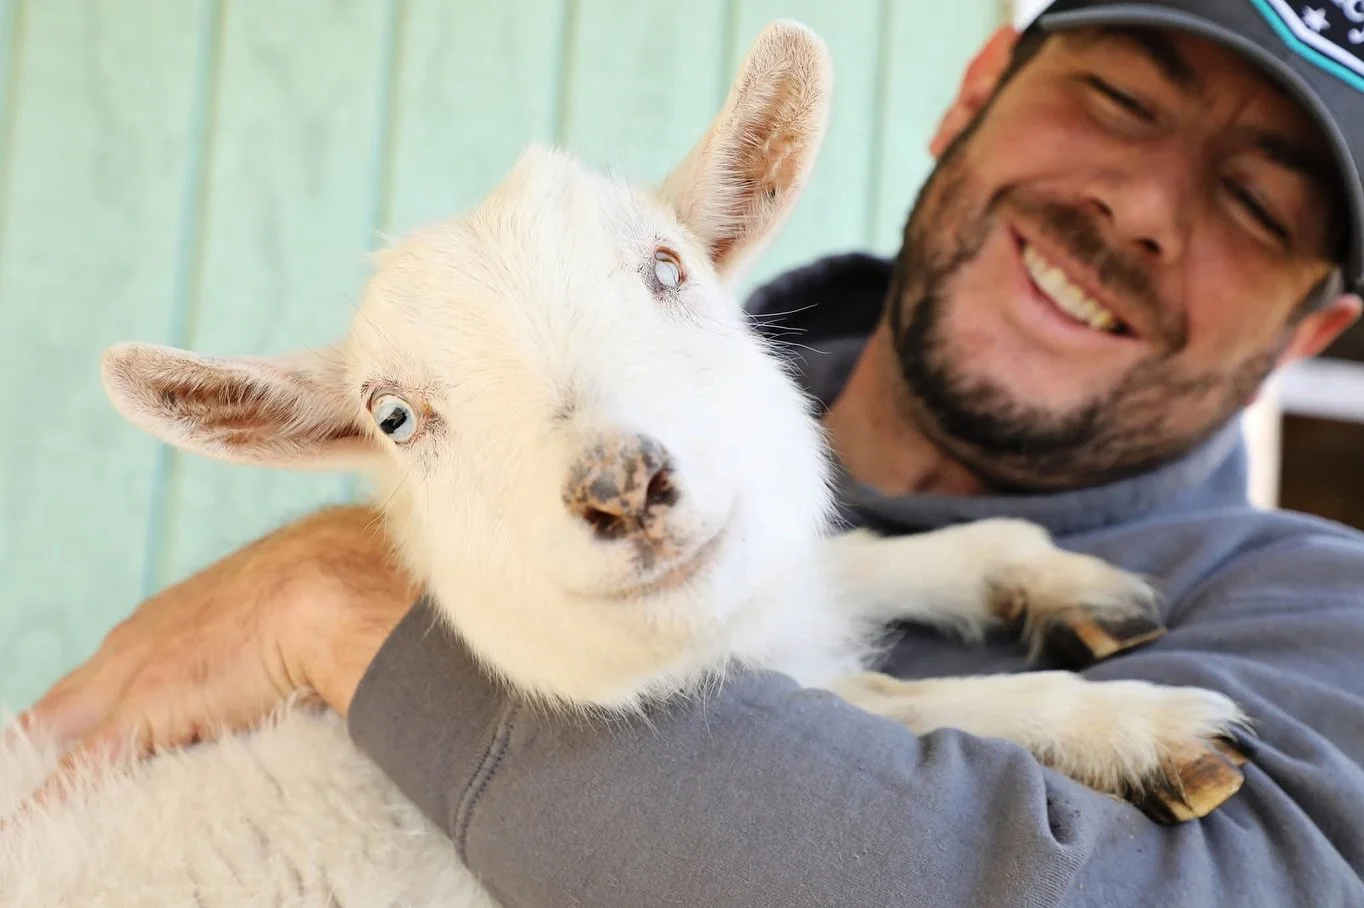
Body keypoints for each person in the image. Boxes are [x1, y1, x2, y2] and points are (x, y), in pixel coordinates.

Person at [14, 0, 1364, 904]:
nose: (1141, 207)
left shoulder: (1319, 607)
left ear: (1315, 334)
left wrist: (347, 607)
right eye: (1120, 98)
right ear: (972, 95)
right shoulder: (503, 458)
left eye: (1256, 202)